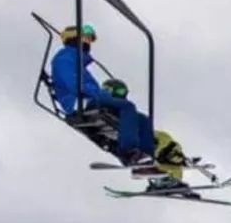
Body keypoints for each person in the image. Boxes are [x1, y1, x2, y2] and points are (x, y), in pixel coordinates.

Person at [49, 23, 155, 164]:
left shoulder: (76, 60)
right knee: (127, 106)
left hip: (89, 98)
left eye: (90, 39)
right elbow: (74, 84)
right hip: (78, 101)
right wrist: (100, 94)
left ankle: (146, 158)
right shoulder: (64, 58)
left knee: (141, 120)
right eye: (85, 38)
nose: (88, 42)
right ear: (74, 38)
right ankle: (128, 152)